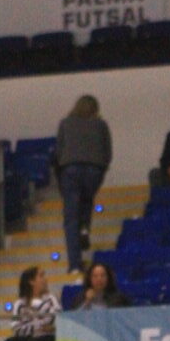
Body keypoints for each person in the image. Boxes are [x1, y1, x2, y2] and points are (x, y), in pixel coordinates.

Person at [55, 93, 112, 277]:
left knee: (71, 219)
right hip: (94, 169)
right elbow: (107, 152)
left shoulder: (65, 123)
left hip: (71, 169)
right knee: (87, 202)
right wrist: (101, 170)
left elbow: (58, 151)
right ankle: (85, 228)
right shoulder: (101, 125)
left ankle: (74, 265)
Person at [3, 265, 61, 341]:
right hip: (28, 340)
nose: (45, 279)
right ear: (31, 281)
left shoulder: (51, 299)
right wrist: (38, 326)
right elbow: (16, 328)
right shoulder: (20, 304)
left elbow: (56, 320)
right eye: (41, 276)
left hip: (48, 338)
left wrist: (31, 324)